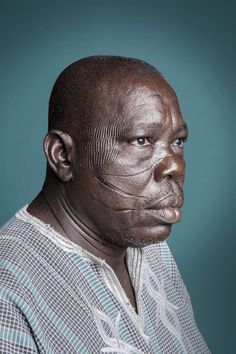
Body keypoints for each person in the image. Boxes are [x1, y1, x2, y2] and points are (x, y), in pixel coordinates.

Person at [0, 56, 210, 353]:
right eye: (141, 140)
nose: (174, 166)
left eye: (178, 141)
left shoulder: (151, 248)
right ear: (62, 155)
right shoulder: (8, 292)